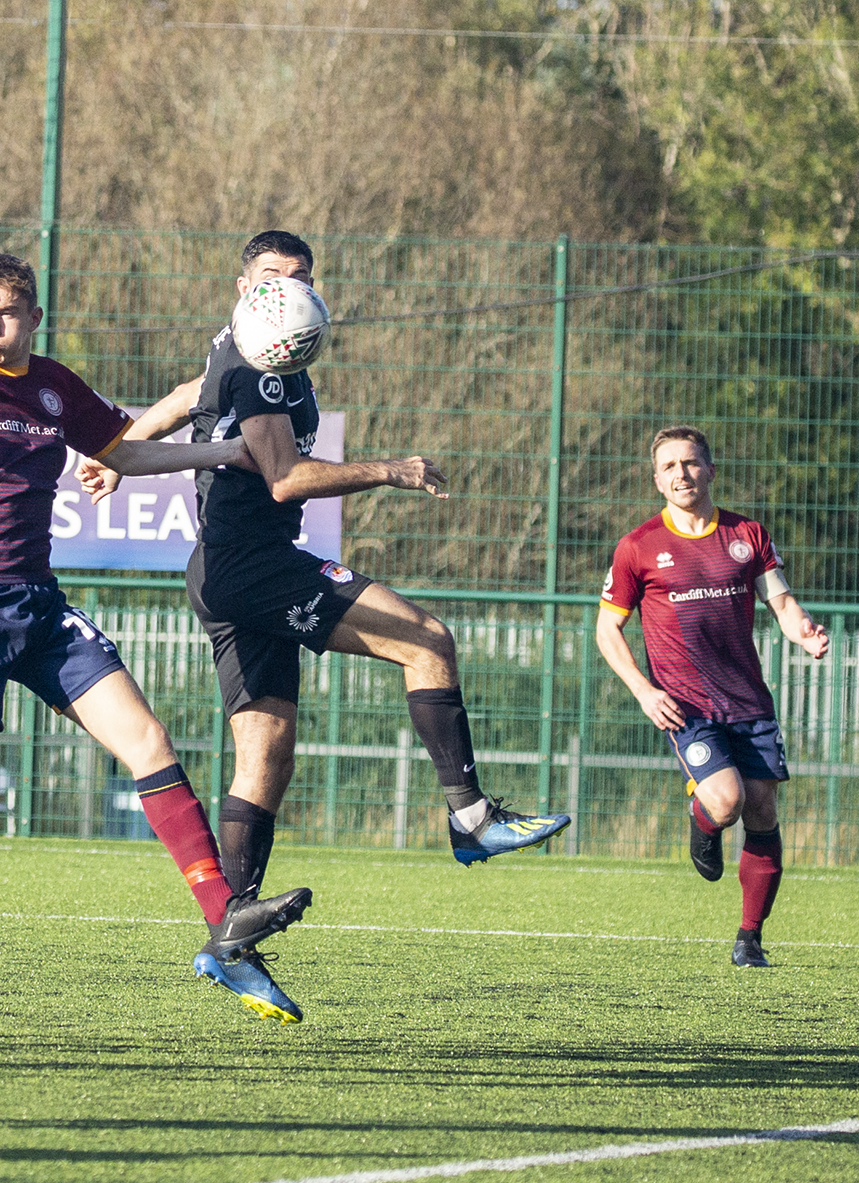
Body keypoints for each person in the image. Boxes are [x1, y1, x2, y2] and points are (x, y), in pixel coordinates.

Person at [82, 230, 570, 1024]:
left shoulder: (237, 347)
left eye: (300, 276)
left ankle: (228, 935)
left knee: (266, 754)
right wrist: (393, 469)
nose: (287, 287)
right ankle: (472, 817)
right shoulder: (259, 362)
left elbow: (186, 389)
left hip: (225, 570)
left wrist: (126, 444)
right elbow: (285, 479)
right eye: (272, 275)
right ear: (243, 284)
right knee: (426, 639)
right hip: (254, 563)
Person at [0, 252, 273, 1038]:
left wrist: (223, 453)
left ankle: (226, 922)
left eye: (5, 314)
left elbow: (124, 452)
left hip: (39, 604)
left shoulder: (54, 386)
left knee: (147, 739)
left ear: (33, 316)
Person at [595, 425, 827, 967]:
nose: (682, 474)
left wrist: (806, 631)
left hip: (749, 702)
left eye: (691, 463)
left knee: (763, 809)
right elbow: (608, 631)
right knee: (726, 801)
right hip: (686, 705)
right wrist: (643, 690)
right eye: (670, 466)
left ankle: (749, 939)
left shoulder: (747, 534)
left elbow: (783, 604)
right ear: (657, 479)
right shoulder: (638, 547)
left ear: (711, 469)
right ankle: (704, 825)